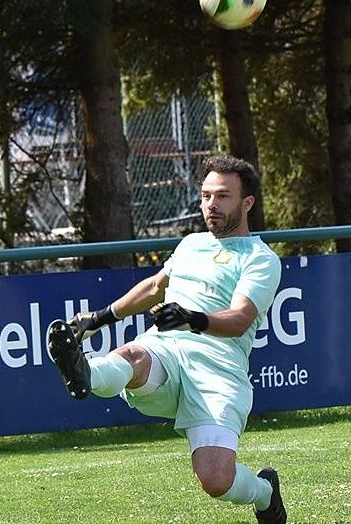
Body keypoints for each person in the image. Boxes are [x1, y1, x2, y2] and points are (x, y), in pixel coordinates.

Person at [46, 155, 286, 524]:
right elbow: (155, 287)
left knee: (215, 479)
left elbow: (239, 319)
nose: (211, 205)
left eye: (223, 196)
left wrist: (193, 319)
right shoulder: (191, 244)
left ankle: (265, 493)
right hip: (169, 350)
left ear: (247, 203)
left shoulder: (260, 259)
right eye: (206, 196)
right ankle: (84, 372)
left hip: (218, 371)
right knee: (134, 355)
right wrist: (99, 318)